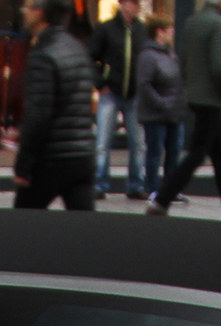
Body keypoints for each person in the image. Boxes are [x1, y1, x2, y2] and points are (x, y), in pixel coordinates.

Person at [148, 0, 221, 220]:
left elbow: (185, 58)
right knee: (198, 153)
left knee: (220, 155)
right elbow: (219, 65)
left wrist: (190, 86)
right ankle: (162, 200)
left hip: (196, 96)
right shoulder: (219, 24)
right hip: (211, 98)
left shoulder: (193, 22)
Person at [14, 0, 98, 210]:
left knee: (21, 225)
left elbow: (39, 114)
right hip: (82, 154)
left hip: (52, 158)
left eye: (28, 6)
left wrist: (23, 166)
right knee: (85, 228)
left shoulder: (43, 54)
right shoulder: (77, 47)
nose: (23, 11)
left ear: (40, 13)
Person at [91, 0, 150, 200]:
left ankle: (135, 184)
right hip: (111, 92)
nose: (136, 6)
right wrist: (100, 82)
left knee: (138, 142)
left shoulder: (142, 30)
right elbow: (91, 57)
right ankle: (100, 183)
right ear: (123, 4)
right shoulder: (106, 29)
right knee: (103, 141)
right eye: (133, 2)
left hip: (134, 94)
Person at [133, 17, 186, 201]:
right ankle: (152, 187)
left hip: (175, 112)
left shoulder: (170, 53)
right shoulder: (148, 55)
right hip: (156, 113)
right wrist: (161, 103)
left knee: (174, 152)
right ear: (159, 32)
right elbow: (144, 84)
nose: (172, 32)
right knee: (155, 151)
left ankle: (171, 189)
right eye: (169, 28)